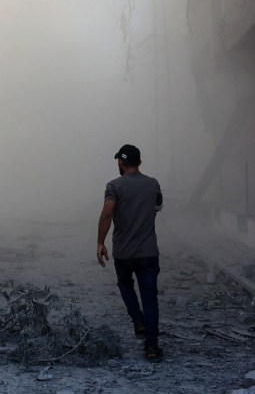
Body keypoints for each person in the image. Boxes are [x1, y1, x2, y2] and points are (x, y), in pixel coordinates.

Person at [96, 144, 163, 362]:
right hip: (148, 251)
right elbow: (158, 208)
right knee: (150, 298)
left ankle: (138, 320)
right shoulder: (153, 184)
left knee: (125, 285)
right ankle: (151, 347)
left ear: (120, 163)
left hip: (124, 252)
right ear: (140, 163)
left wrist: (100, 242)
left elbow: (107, 214)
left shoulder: (114, 186)